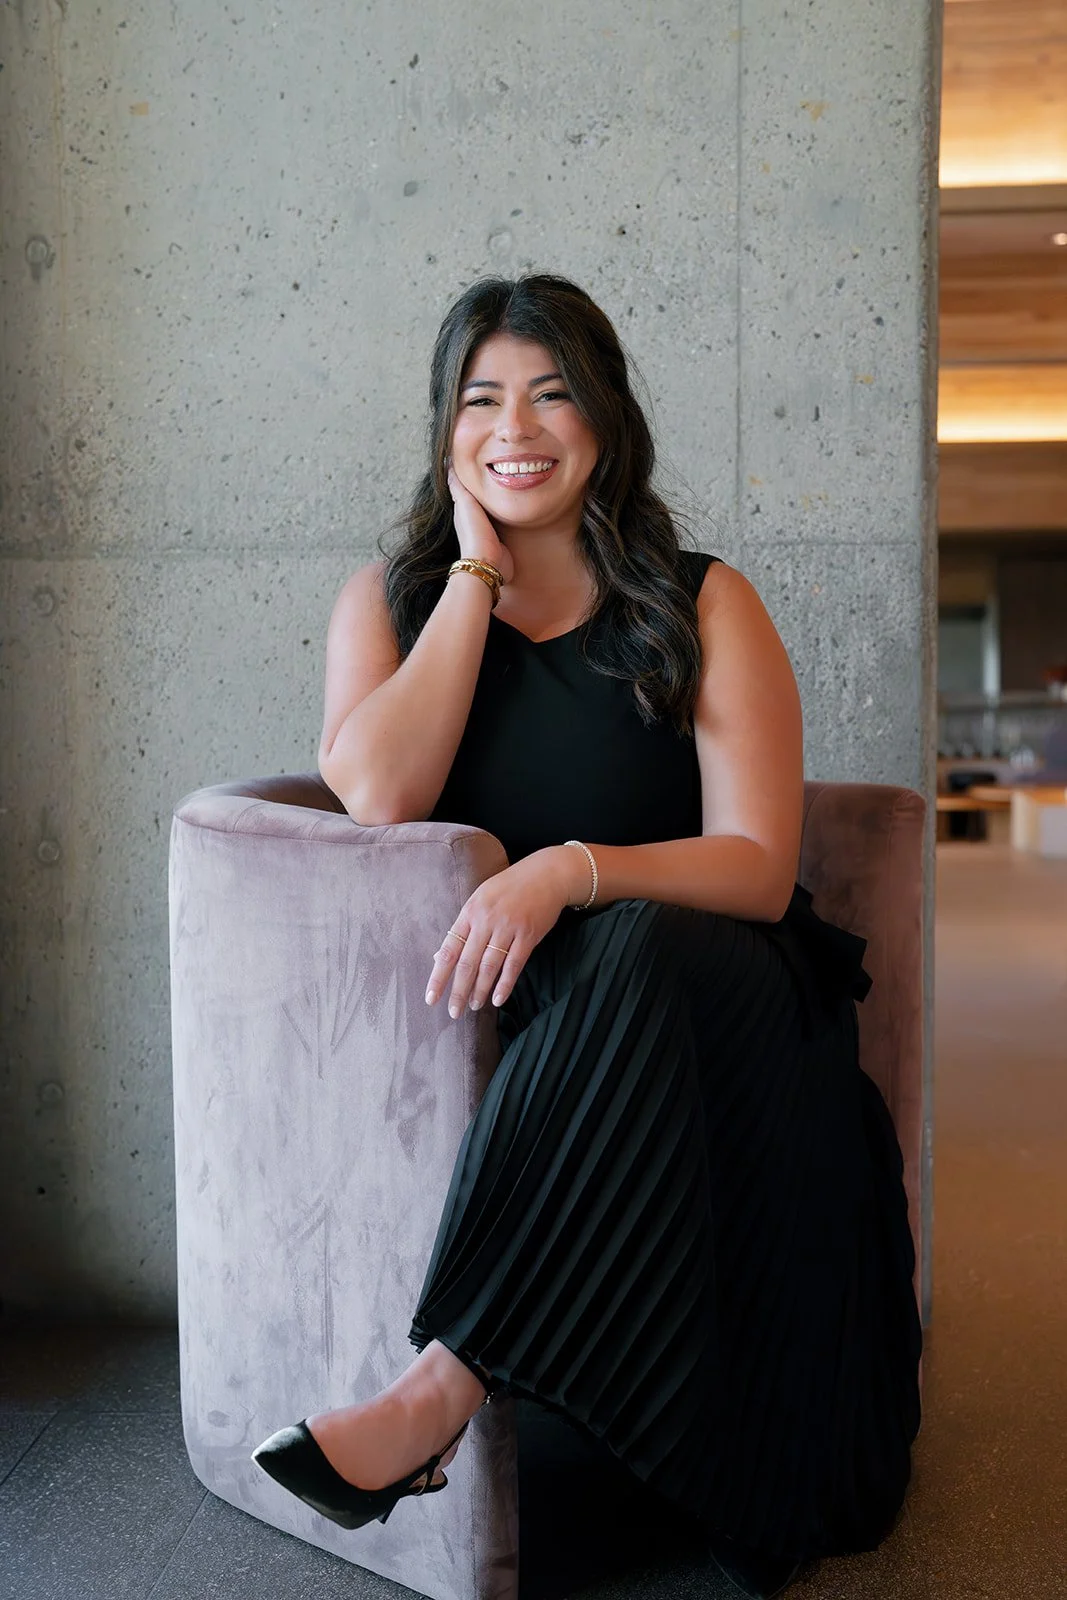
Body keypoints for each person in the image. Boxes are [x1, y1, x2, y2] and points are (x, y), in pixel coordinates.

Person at [251, 273, 923, 1600]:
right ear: (445, 431)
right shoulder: (385, 606)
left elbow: (755, 863)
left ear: (605, 422)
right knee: (606, 963)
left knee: (632, 940)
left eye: (553, 393)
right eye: (481, 397)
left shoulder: (700, 601)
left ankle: (439, 1388)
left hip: (728, 1012)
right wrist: (472, 579)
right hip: (559, 1036)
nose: (519, 425)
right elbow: (375, 793)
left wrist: (571, 870)